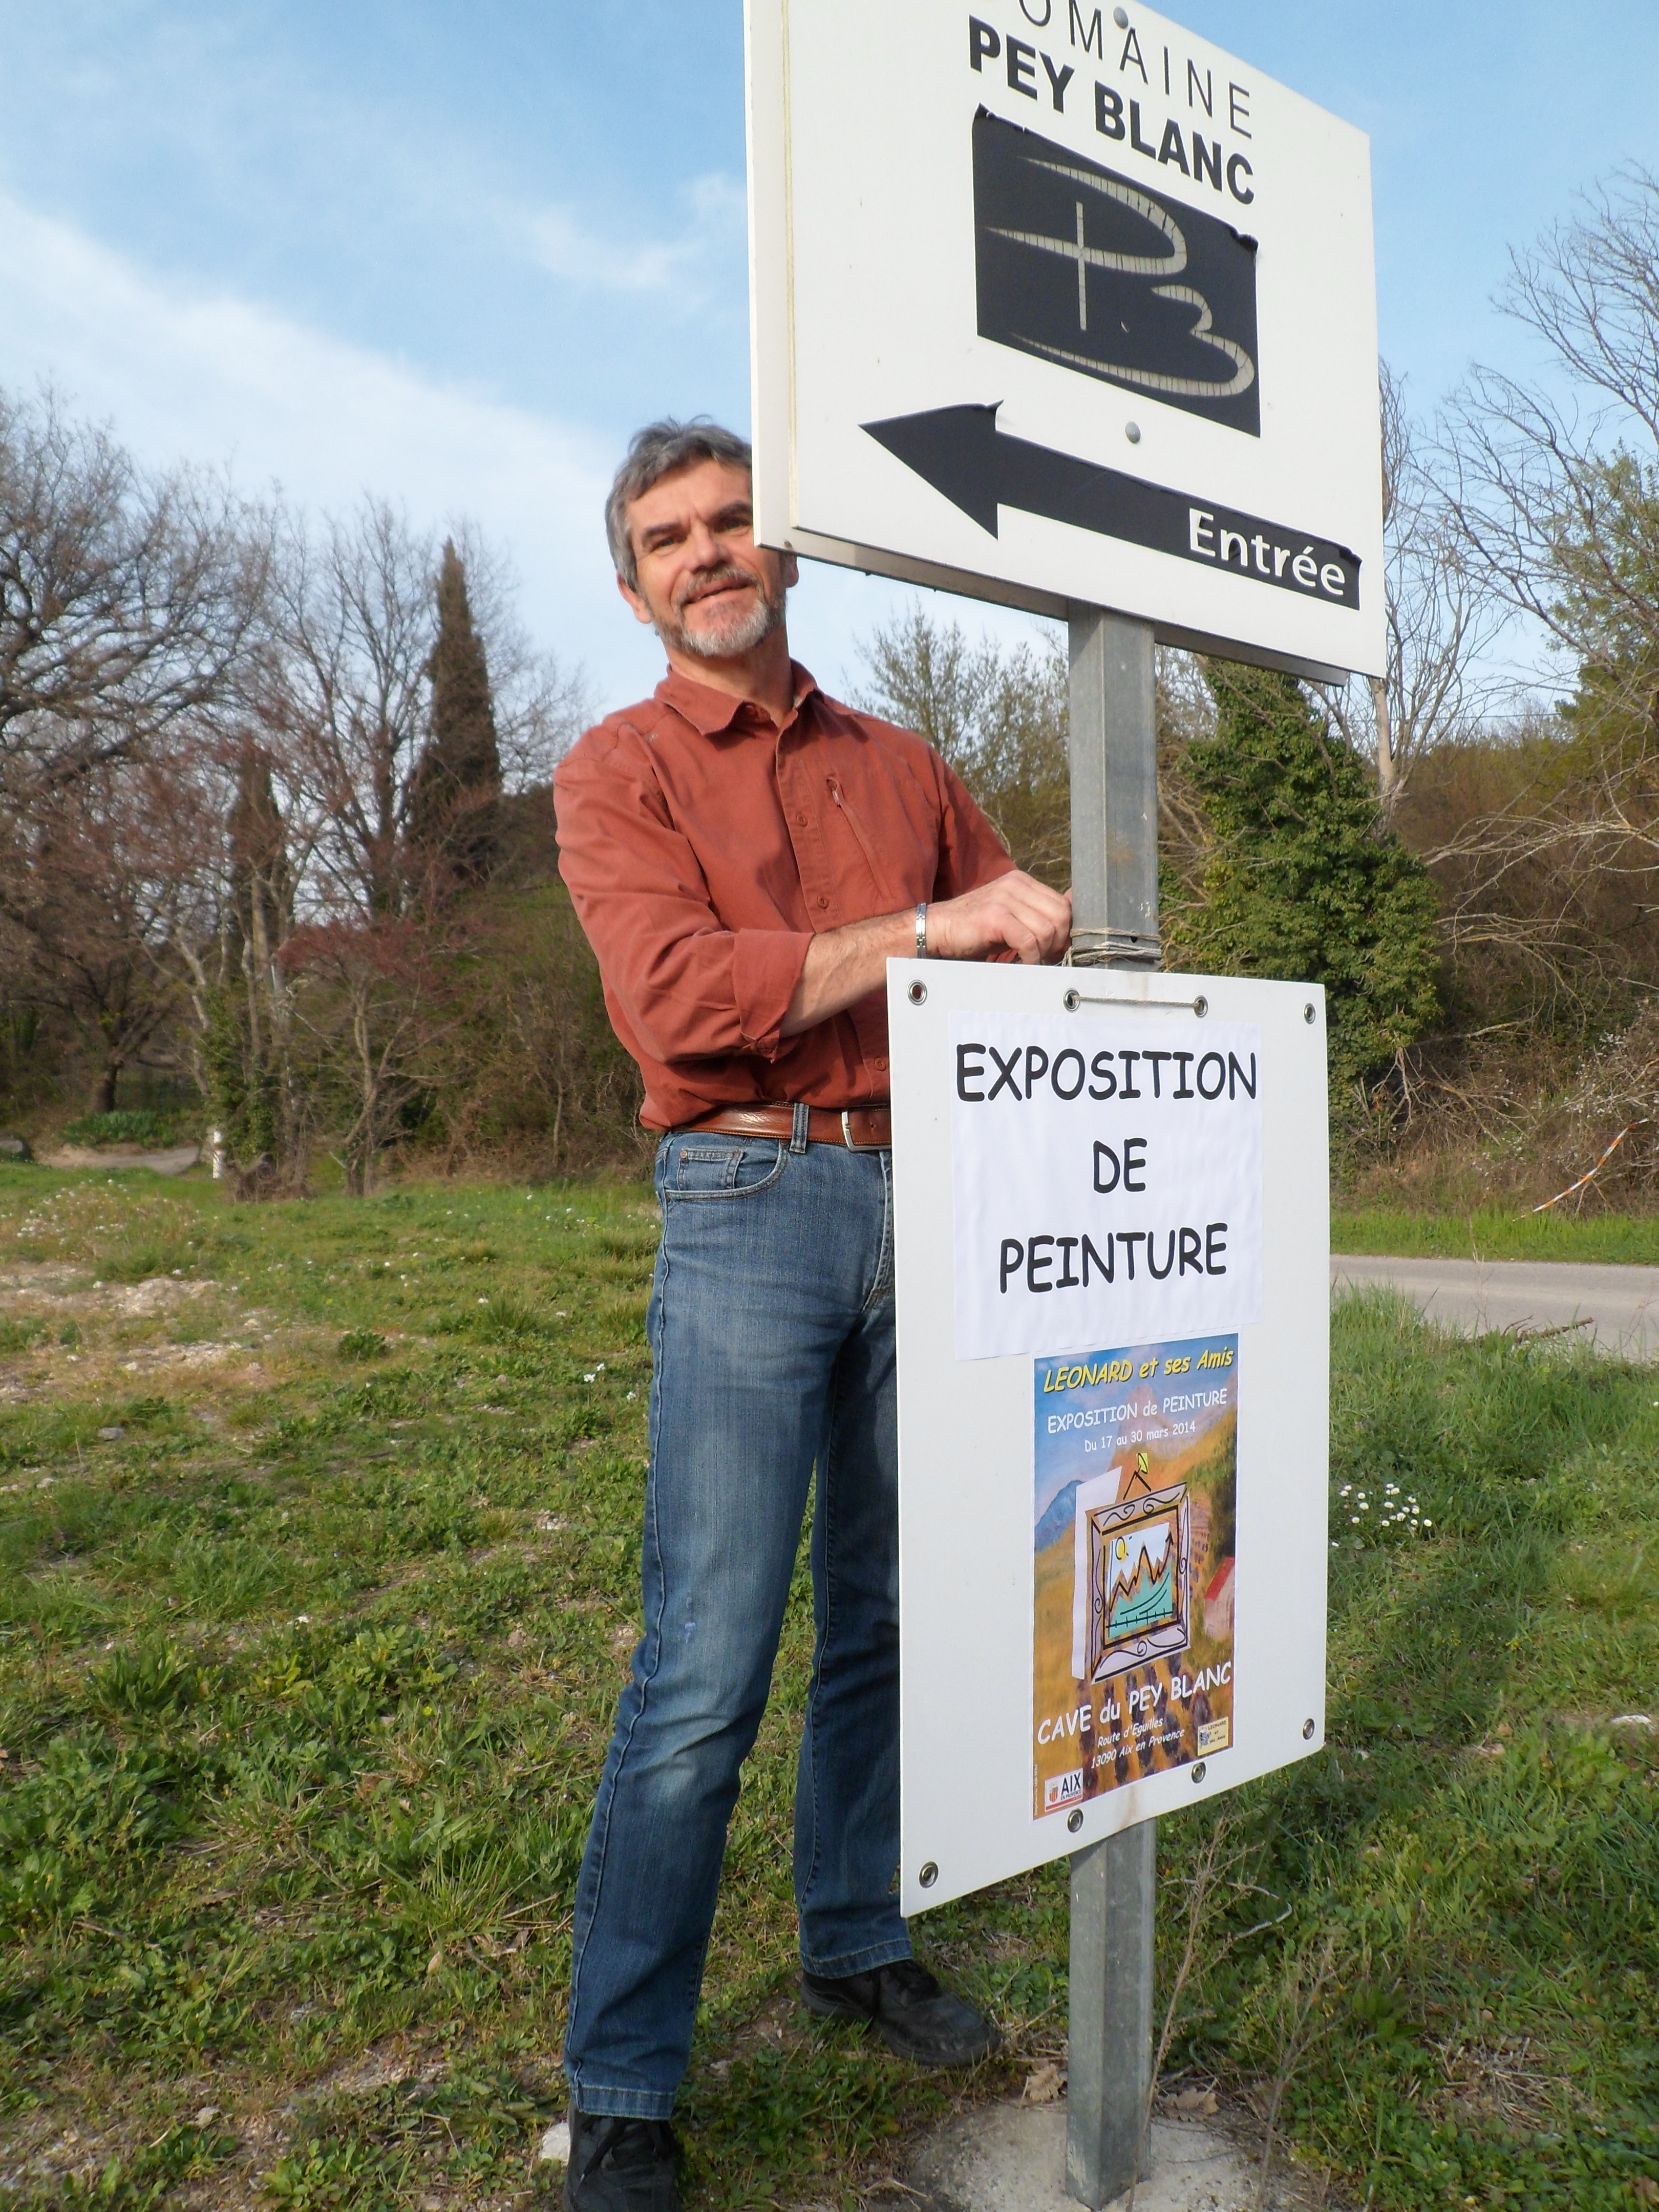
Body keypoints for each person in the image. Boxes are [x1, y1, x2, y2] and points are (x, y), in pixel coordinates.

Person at [552, 419, 1072, 2210]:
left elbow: (1015, 941)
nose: (707, 553)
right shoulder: (617, 769)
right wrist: (934, 931)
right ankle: (625, 2083)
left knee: (893, 1612)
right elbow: (683, 1002)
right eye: (670, 538)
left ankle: (856, 1940)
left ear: (784, 553)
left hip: (934, 1193)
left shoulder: (903, 762)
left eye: (733, 523)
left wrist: (1028, 940)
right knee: (708, 1660)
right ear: (637, 587)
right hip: (748, 1196)